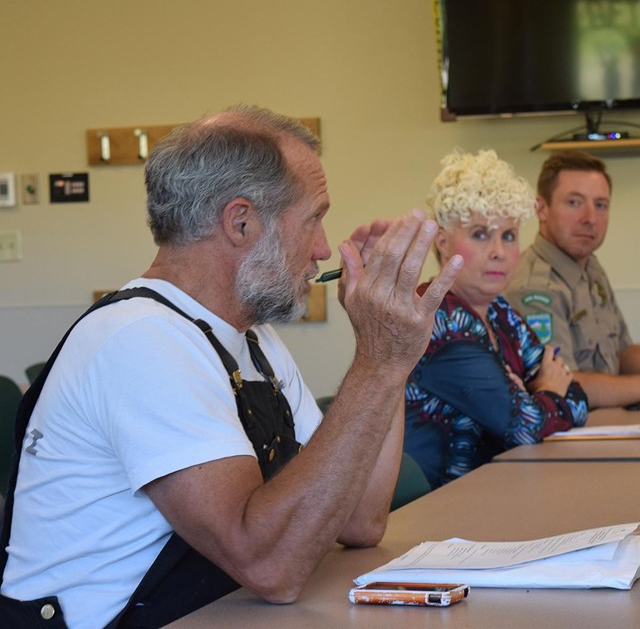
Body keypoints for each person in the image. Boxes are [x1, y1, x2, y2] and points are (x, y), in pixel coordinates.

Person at [0, 105, 462, 629]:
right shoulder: (140, 340)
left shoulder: (252, 339)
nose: (323, 247)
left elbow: (359, 517)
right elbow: (270, 567)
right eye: (313, 217)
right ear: (241, 222)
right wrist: (378, 363)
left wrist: (391, 358)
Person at [404, 150, 588, 490]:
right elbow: (525, 425)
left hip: (497, 491)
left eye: (508, 235)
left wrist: (536, 398)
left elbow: (576, 394)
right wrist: (544, 390)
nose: (499, 252)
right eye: (480, 234)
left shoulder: (500, 311)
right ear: (442, 242)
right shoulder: (438, 317)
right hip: (432, 514)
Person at [505, 151, 640, 408]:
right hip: (567, 435)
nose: (590, 218)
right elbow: (566, 384)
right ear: (541, 209)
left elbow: (623, 353)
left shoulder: (590, 266)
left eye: (600, 205)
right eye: (574, 203)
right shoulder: (535, 287)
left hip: (607, 423)